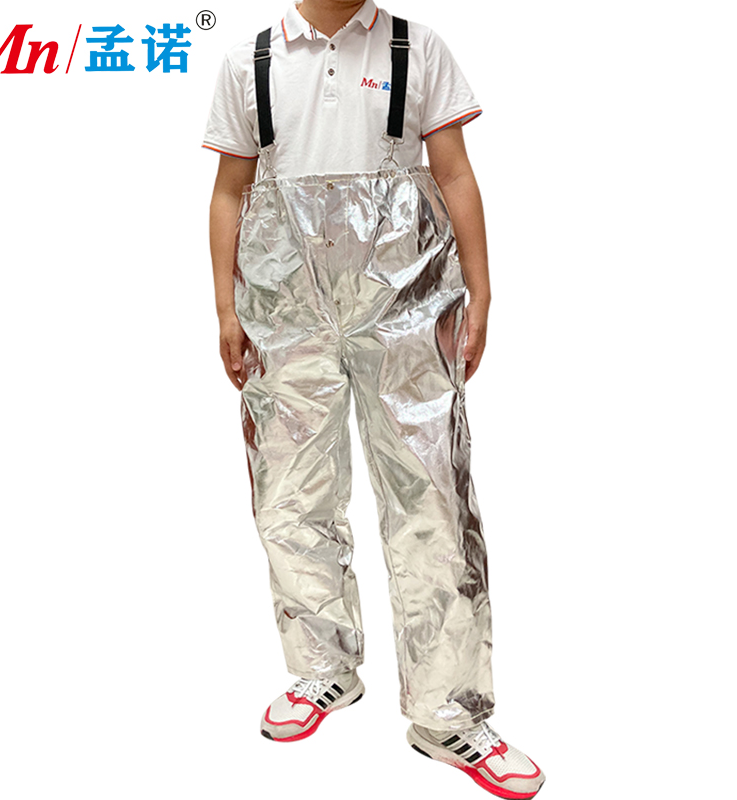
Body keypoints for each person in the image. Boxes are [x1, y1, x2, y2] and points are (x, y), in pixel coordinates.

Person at [202, 1, 545, 796]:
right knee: (289, 490)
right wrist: (225, 307)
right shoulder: (250, 60)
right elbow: (229, 191)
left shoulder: (415, 48)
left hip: (407, 299)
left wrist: (481, 289)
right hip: (284, 305)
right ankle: (322, 665)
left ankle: (450, 713)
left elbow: (453, 172)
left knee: (432, 495)